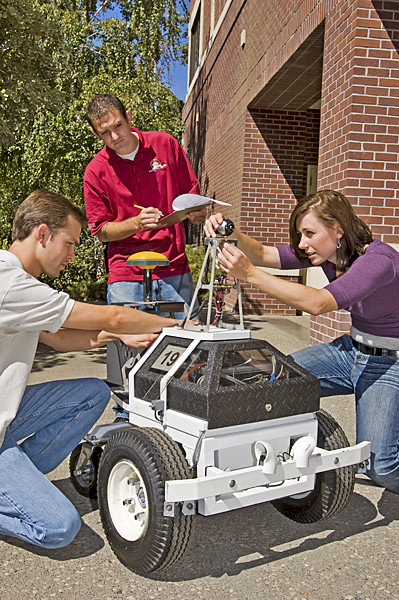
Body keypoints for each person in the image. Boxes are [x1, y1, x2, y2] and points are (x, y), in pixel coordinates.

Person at [0, 189, 181, 550]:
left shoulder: (18, 282)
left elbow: (59, 339)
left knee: (93, 393)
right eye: (69, 243)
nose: (72, 254)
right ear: (41, 234)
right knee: (58, 527)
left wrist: (116, 335)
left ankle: (19, 480)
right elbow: (112, 312)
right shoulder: (11, 285)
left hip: (5, 416)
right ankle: (18, 490)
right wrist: (178, 327)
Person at [205, 189, 399, 494]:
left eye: (309, 233)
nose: (302, 243)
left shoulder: (379, 261)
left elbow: (318, 303)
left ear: (338, 229)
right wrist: (227, 231)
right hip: (351, 351)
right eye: (300, 234)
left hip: (390, 363)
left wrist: (250, 275)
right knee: (272, 378)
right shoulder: (328, 253)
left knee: (380, 467)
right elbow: (262, 253)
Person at [83, 93, 206, 315]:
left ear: (128, 117)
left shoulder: (165, 144)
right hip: (126, 274)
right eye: (104, 133)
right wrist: (136, 223)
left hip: (173, 265)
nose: (114, 136)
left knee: (187, 344)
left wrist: (198, 212)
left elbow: (191, 193)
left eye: (118, 125)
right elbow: (101, 232)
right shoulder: (95, 172)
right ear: (94, 133)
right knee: (129, 348)